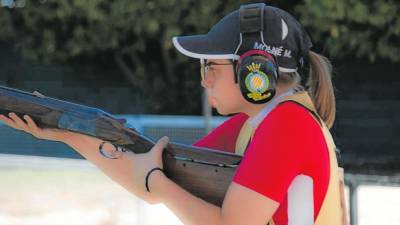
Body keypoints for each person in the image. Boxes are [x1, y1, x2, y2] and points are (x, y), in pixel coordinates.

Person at [0, 3, 348, 225]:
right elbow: (153, 174)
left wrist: (159, 183)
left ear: (255, 71)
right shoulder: (256, 126)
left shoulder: (287, 126)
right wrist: (64, 131)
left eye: (211, 66)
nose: (205, 80)